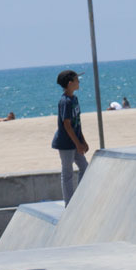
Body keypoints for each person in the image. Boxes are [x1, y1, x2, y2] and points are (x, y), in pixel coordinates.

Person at [52, 70, 88, 204]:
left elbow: (77, 122)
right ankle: (69, 203)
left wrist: (82, 140)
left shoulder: (74, 99)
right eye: (77, 80)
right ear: (70, 83)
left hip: (75, 141)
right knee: (67, 173)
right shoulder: (65, 101)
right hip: (66, 143)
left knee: (84, 167)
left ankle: (79, 198)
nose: (79, 82)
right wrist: (77, 144)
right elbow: (67, 124)